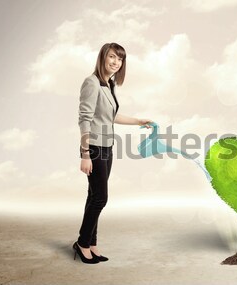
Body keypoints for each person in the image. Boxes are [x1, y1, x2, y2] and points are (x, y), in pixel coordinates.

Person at [73, 42, 153, 264]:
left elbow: (111, 116)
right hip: (94, 147)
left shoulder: (108, 84)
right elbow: (85, 119)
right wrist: (85, 154)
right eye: (112, 57)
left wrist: (138, 120)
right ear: (103, 57)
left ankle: (91, 243)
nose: (116, 62)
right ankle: (82, 243)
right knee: (100, 198)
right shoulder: (91, 83)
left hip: (107, 146)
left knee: (94, 196)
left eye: (120, 59)